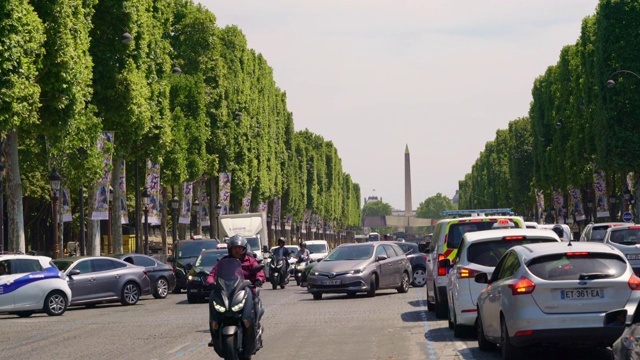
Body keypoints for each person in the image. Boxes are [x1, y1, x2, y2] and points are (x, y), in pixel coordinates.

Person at [206, 235, 266, 348]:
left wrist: (259, 279)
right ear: (230, 249)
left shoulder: (250, 261)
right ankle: (215, 331)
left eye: (240, 248)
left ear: (244, 249)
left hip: (247, 289)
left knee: (255, 304)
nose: (237, 250)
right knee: (213, 300)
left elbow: (260, 272)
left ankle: (254, 326)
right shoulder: (224, 261)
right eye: (235, 248)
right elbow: (213, 274)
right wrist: (210, 281)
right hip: (228, 291)